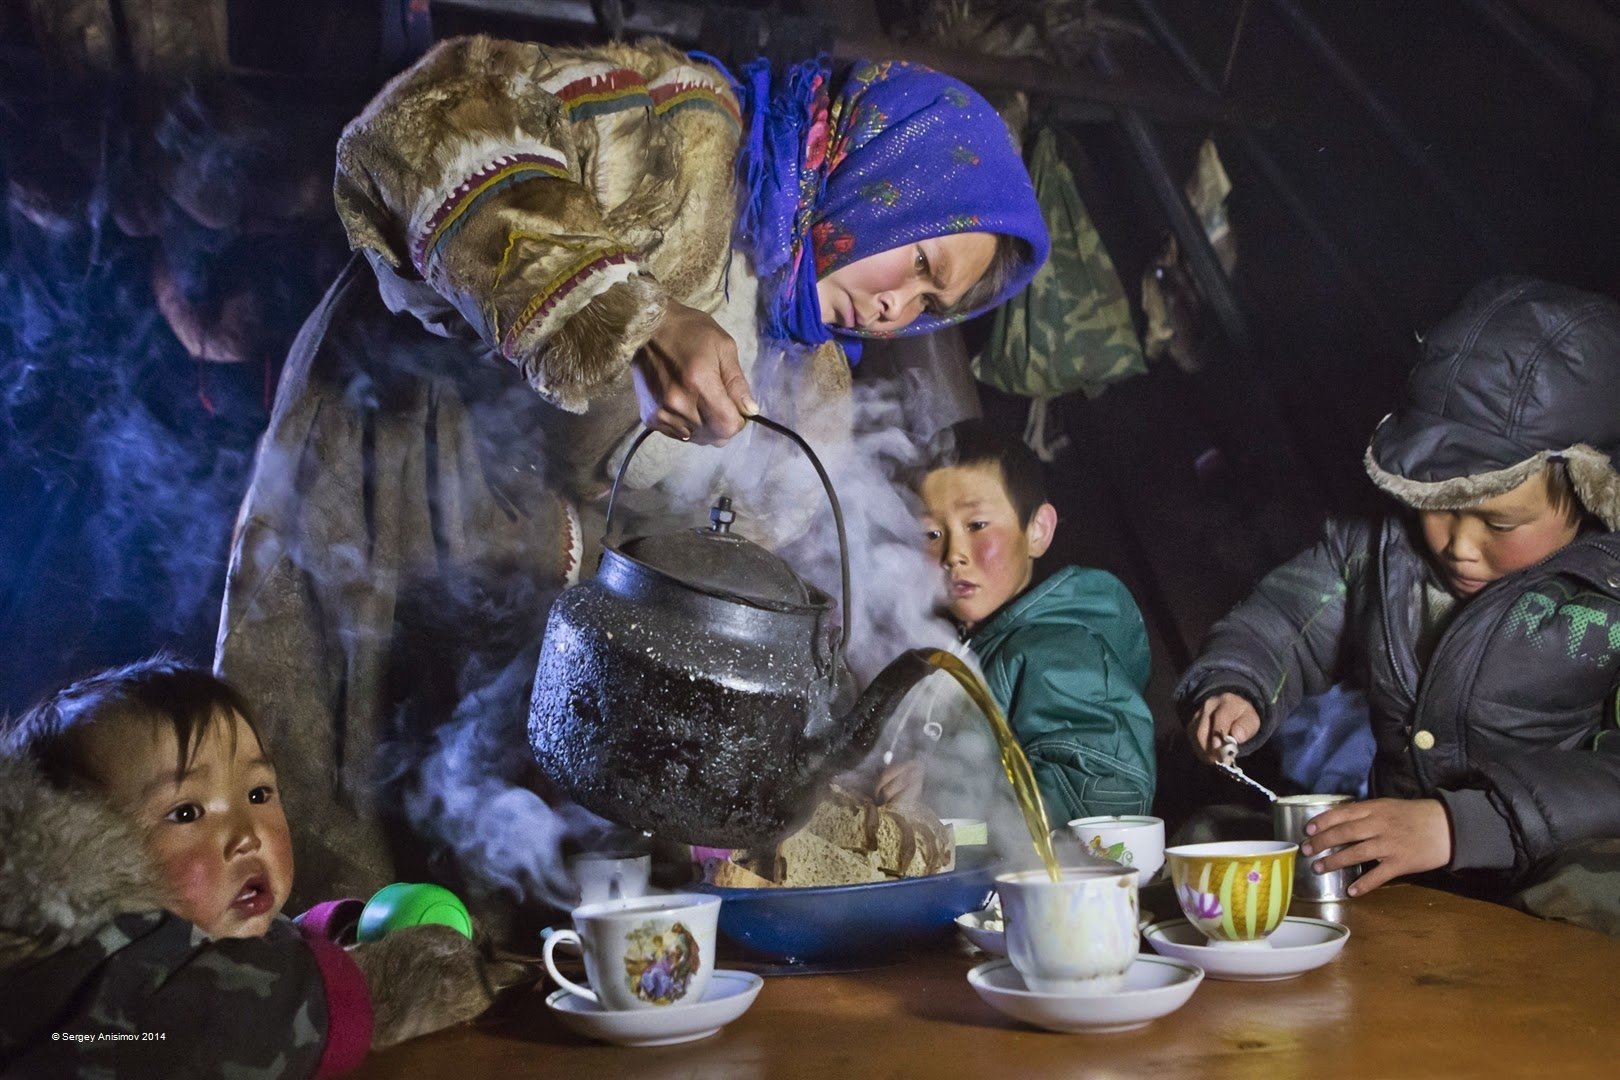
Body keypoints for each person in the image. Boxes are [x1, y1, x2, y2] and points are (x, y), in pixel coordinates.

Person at [216, 35, 1048, 916]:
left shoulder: (813, 379)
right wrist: (636, 314)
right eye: (919, 262)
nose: (897, 309)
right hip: (396, 460)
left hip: (540, 584)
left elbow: (712, 566)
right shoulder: (678, 132)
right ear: (880, 173)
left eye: (930, 306)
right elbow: (422, 127)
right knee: (326, 799)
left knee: (485, 880)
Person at [1177, 277, 1620, 921]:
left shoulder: (1607, 599)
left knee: (1592, 895)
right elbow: (1283, 620)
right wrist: (1236, 687)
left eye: (1497, 524)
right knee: (1211, 840)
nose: (1458, 545)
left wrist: (1462, 825)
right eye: (1434, 508)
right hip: (1393, 848)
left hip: (1549, 857)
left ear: (1591, 492)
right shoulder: (1377, 550)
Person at [0, 657, 514, 1077]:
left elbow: (228, 961)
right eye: (187, 812)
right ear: (94, 854)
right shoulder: (77, 991)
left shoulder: (176, 935)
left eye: (258, 793)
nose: (247, 834)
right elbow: (207, 1024)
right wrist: (381, 983)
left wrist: (328, 939)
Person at [880, 419, 1156, 828]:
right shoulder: (964, 649)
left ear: (1038, 530)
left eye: (976, 525)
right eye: (932, 533)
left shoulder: (1057, 654)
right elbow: (977, 841)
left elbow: (1103, 801)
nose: (953, 553)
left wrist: (941, 792)